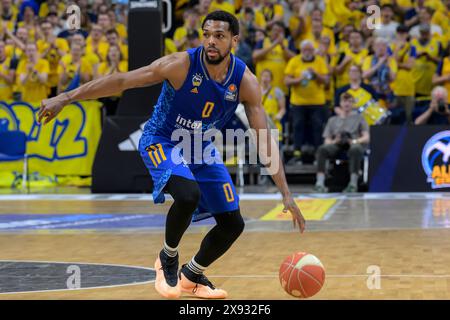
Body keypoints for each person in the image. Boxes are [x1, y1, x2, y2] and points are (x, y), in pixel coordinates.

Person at [38, 10, 305, 300]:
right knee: (187, 194)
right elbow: (121, 81)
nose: (211, 41)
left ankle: (191, 276)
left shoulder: (245, 81)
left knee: (233, 223)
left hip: (199, 147)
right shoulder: (179, 65)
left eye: (219, 36)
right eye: (207, 35)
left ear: (234, 41)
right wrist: (64, 98)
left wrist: (286, 194)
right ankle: (167, 257)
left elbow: (264, 138)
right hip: (161, 140)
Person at [314, 92, 370, 193]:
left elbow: (366, 137)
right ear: (340, 103)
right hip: (337, 144)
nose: (347, 104)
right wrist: (334, 141)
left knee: (356, 149)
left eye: (349, 101)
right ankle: (320, 183)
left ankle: (353, 184)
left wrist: (354, 141)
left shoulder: (359, 118)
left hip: (353, 142)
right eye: (344, 101)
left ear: (353, 104)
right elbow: (326, 140)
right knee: (322, 149)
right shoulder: (332, 120)